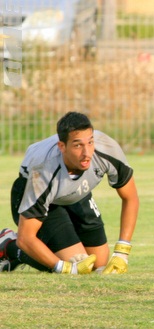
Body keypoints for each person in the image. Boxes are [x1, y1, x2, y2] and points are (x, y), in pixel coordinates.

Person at [0, 111, 139, 274]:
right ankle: (9, 245)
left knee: (99, 264)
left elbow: (130, 197)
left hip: (76, 194)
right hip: (43, 197)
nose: (87, 153)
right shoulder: (43, 170)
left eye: (90, 142)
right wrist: (64, 268)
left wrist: (122, 252)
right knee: (76, 268)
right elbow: (26, 238)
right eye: (78, 145)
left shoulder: (107, 149)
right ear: (62, 146)